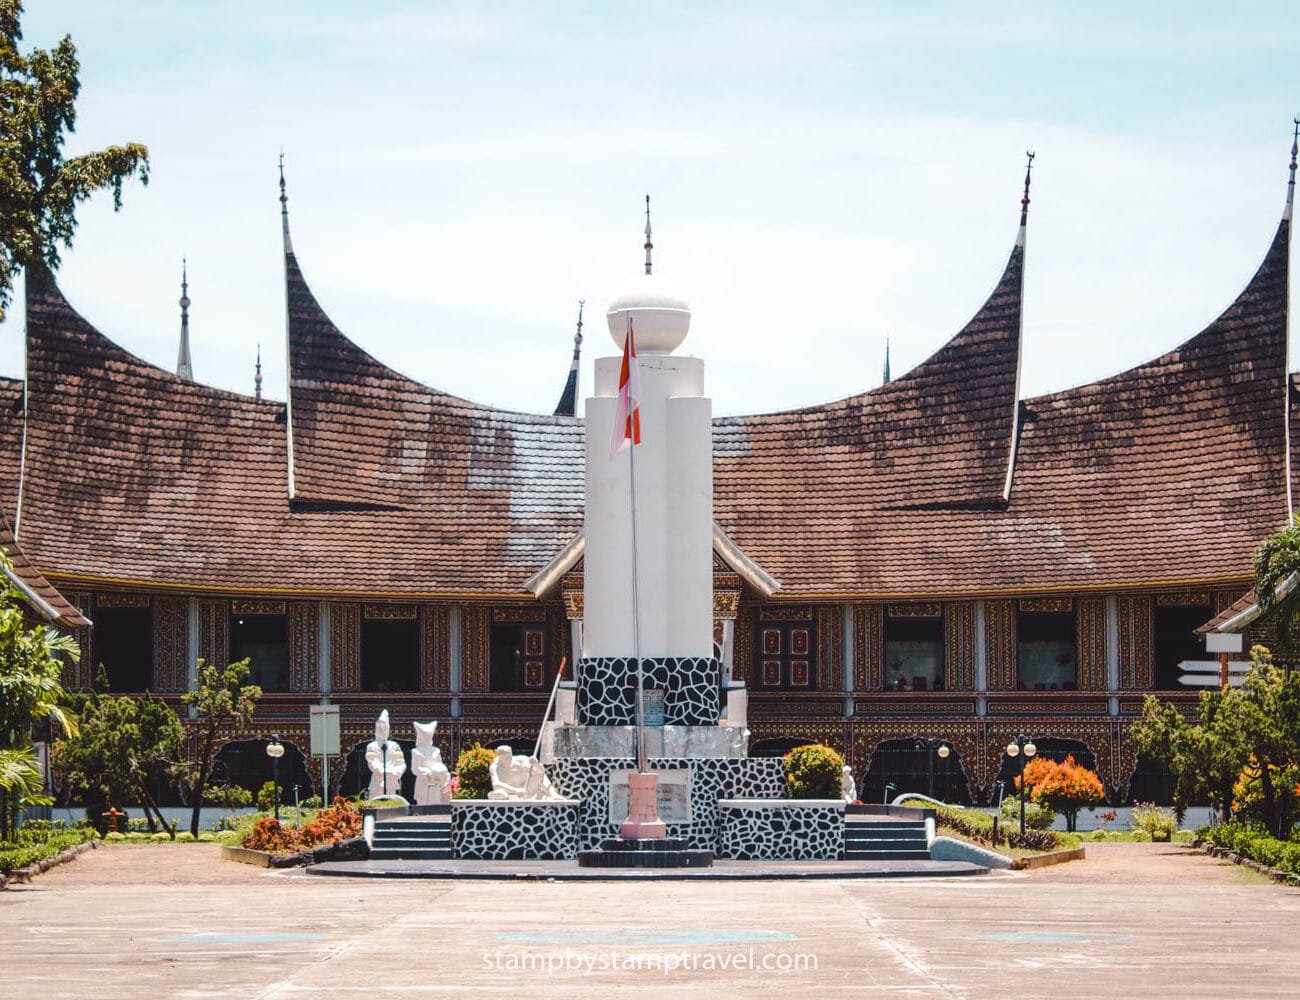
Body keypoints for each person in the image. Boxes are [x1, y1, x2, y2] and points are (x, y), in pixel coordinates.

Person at [364, 710, 407, 800]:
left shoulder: (394, 746)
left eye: (385, 729)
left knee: (391, 806)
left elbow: (401, 763)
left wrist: (396, 772)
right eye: (380, 729)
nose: (383, 731)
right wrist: (384, 771)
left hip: (391, 781)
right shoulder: (371, 746)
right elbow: (372, 763)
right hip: (377, 781)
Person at [410, 720, 451, 805]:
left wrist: (441, 772)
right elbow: (415, 769)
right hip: (424, 783)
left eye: (429, 735)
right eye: (426, 735)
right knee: (423, 805)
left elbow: (439, 764)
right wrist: (428, 772)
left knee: (438, 804)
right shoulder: (416, 751)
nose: (428, 737)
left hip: (437, 782)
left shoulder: (436, 750)